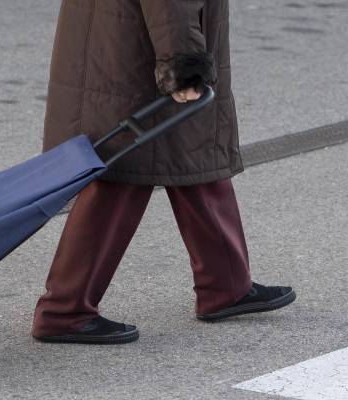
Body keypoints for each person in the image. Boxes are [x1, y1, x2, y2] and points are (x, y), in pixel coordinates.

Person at [32, 0, 296, 344]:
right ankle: (64, 311)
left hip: (124, 42)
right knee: (123, 174)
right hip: (139, 54)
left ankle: (226, 285)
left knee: (195, 156)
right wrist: (183, 66)